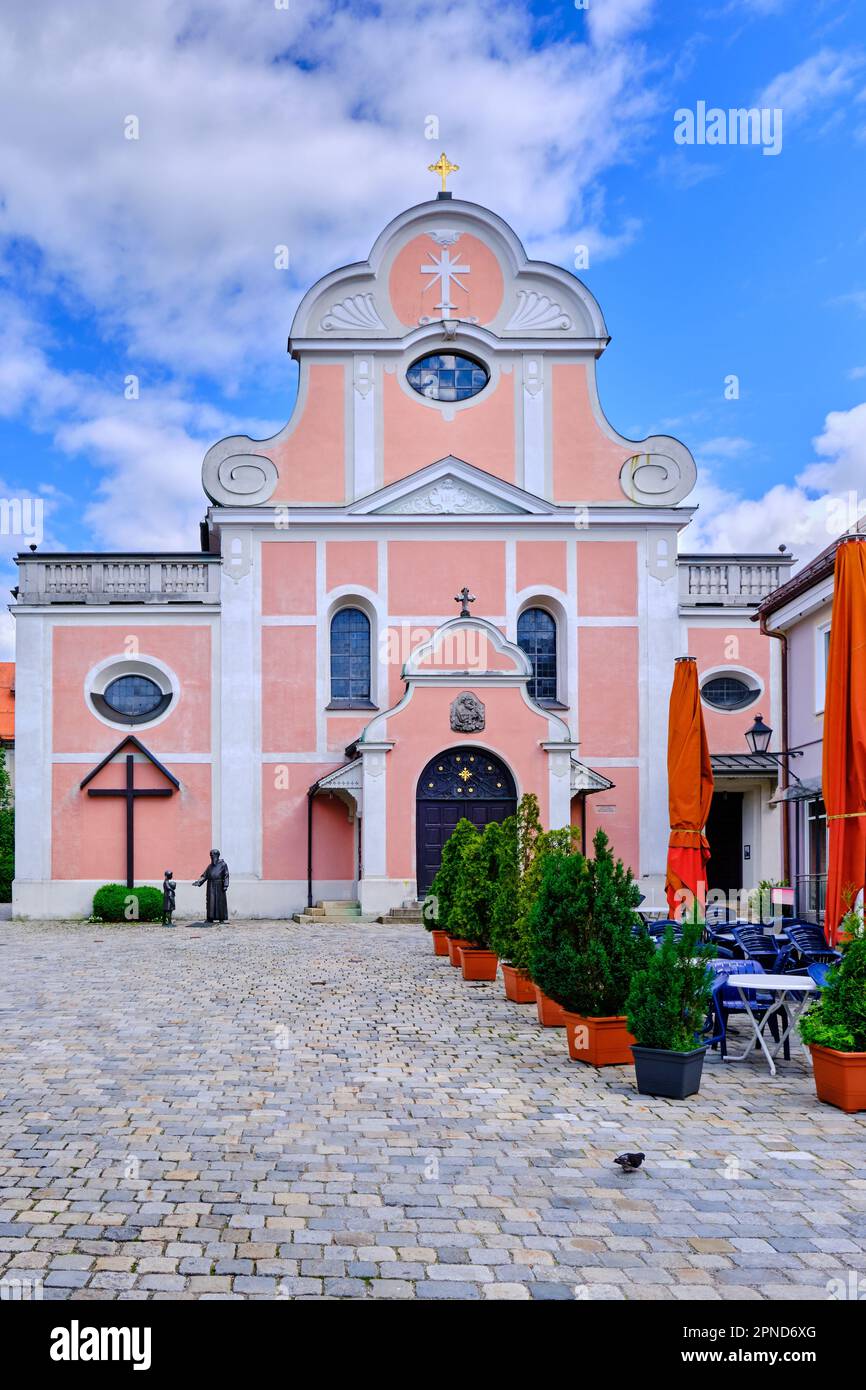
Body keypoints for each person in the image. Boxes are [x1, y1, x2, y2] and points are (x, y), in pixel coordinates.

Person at [193, 849, 230, 923]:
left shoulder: (223, 864)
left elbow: (226, 875)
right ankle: (210, 918)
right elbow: (205, 876)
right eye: (211, 856)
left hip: (219, 885)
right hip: (211, 885)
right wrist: (198, 882)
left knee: (220, 902)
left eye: (213, 855)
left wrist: (225, 885)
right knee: (210, 902)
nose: (212, 857)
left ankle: (221, 918)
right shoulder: (210, 866)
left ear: (217, 855)